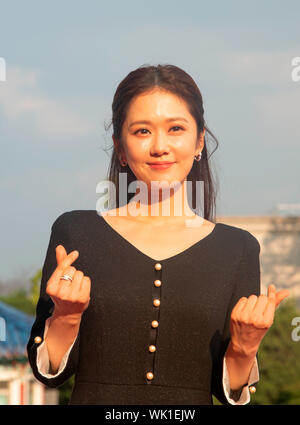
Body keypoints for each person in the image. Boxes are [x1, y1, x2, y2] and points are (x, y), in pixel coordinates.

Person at [27, 64, 289, 405]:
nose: (160, 147)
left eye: (175, 128)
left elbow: (229, 392)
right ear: (120, 147)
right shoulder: (76, 232)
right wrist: (66, 315)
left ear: (199, 141)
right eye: (141, 132)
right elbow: (50, 373)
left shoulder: (237, 249)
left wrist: (245, 345)